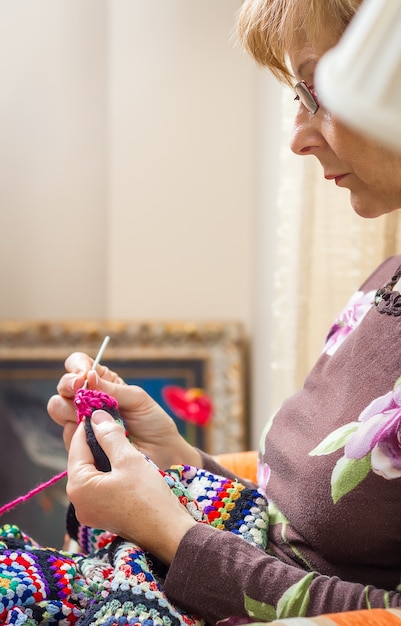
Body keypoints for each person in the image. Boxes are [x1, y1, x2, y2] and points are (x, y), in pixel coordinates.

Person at [47, 0, 401, 623]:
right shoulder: (386, 281)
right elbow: (297, 535)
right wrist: (174, 459)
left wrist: (168, 534)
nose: (296, 135)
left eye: (323, 92)